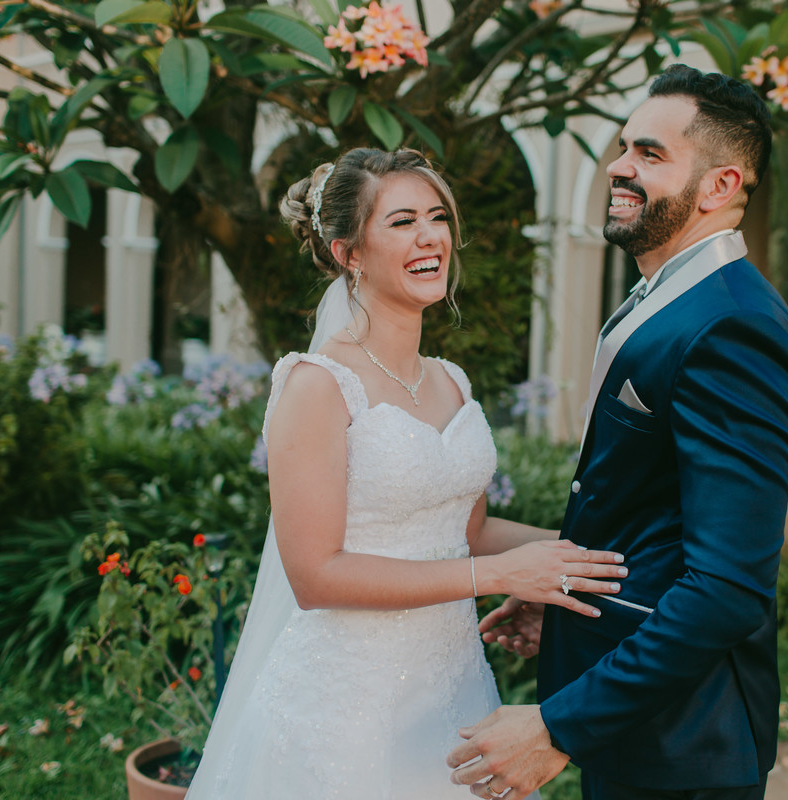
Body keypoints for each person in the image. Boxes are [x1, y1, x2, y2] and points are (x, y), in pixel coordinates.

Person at [185, 148, 627, 799]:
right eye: (401, 222)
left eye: (438, 217)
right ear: (348, 253)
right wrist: (498, 577)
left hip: (452, 690)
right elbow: (314, 575)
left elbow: (466, 532)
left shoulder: (451, 380)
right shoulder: (317, 387)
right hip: (345, 704)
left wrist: (580, 557)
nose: (430, 237)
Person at [449, 65, 788, 800]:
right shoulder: (669, 298)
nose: (618, 166)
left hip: (686, 742)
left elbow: (728, 586)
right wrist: (570, 598)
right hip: (641, 725)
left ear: (719, 186)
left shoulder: (734, 328)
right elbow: (652, 515)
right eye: (622, 148)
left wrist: (561, 727)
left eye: (649, 154)